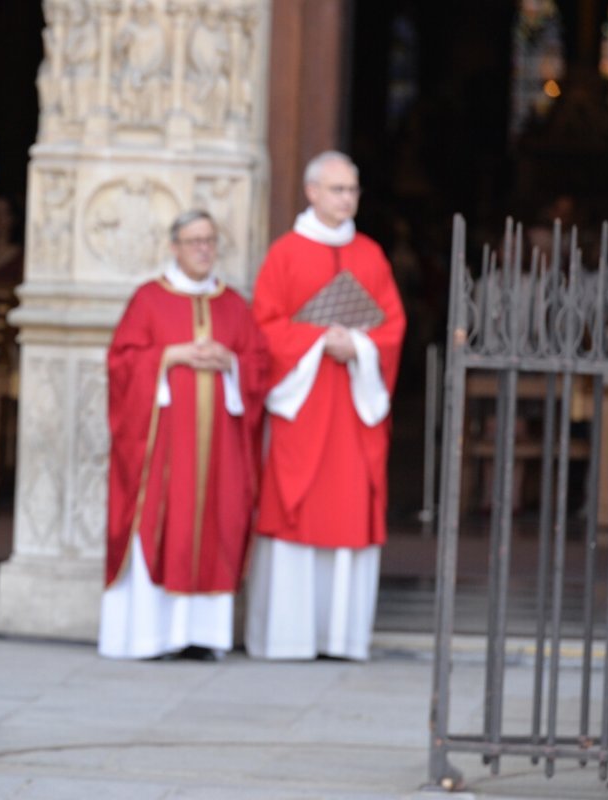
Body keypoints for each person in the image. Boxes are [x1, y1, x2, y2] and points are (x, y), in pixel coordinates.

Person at [247, 151, 406, 662]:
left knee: (350, 507)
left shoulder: (371, 255)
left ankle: (340, 638)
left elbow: (393, 326)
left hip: (353, 406)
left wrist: (358, 347)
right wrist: (318, 344)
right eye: (338, 189)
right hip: (305, 403)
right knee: (295, 510)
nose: (347, 199)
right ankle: (288, 637)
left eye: (353, 189)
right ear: (312, 192)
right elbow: (264, 328)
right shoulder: (285, 254)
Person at [100, 209, 270, 661]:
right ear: (173, 246)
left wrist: (229, 361)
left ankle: (204, 636)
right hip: (163, 452)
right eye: (193, 241)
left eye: (210, 241)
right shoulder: (148, 300)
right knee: (161, 523)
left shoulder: (233, 304)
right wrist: (169, 355)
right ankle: (151, 636)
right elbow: (121, 364)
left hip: (220, 452)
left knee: (219, 520)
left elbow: (259, 367)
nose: (202, 249)